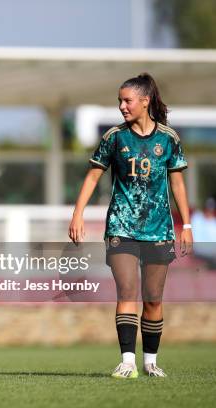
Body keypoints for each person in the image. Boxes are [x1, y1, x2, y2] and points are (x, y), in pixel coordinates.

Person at [69, 73, 193, 378]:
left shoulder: (169, 139)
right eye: (120, 101)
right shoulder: (114, 137)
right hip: (120, 228)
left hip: (159, 230)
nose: (122, 106)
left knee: (153, 298)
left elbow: (177, 185)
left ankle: (151, 361)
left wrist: (187, 224)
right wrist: (78, 214)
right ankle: (127, 361)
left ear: (145, 101)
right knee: (126, 291)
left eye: (127, 100)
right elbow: (93, 176)